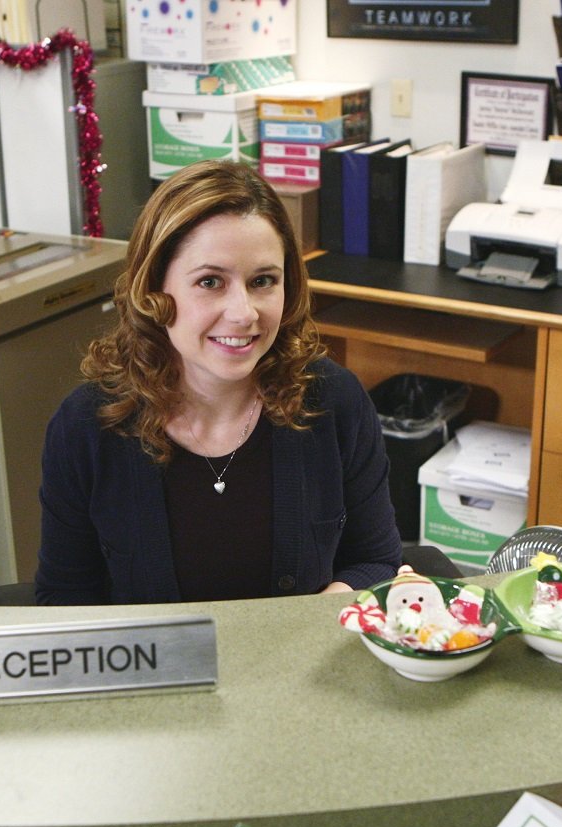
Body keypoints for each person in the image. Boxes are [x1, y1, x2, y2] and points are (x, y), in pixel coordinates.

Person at [35, 159, 402, 605]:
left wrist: (313, 622)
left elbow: (376, 560)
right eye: (210, 281)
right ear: (152, 291)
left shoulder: (333, 400)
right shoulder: (86, 425)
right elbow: (66, 599)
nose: (244, 313)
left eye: (263, 280)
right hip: (160, 672)